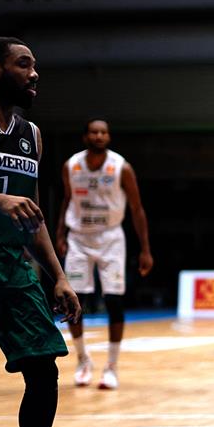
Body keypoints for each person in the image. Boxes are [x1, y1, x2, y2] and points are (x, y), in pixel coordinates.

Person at [0, 36, 81, 427]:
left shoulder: (32, 135)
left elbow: (32, 216)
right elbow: (9, 203)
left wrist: (59, 276)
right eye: (24, 64)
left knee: (43, 370)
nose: (34, 73)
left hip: (12, 260)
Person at [55, 118, 153, 390]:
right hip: (79, 238)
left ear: (108, 137)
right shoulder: (71, 165)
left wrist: (145, 249)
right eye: (94, 132)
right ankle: (83, 359)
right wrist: (60, 234)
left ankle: (111, 366)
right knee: (75, 301)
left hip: (111, 238)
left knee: (114, 301)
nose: (99, 136)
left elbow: (137, 209)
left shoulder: (122, 167)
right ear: (85, 136)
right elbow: (66, 201)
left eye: (103, 132)